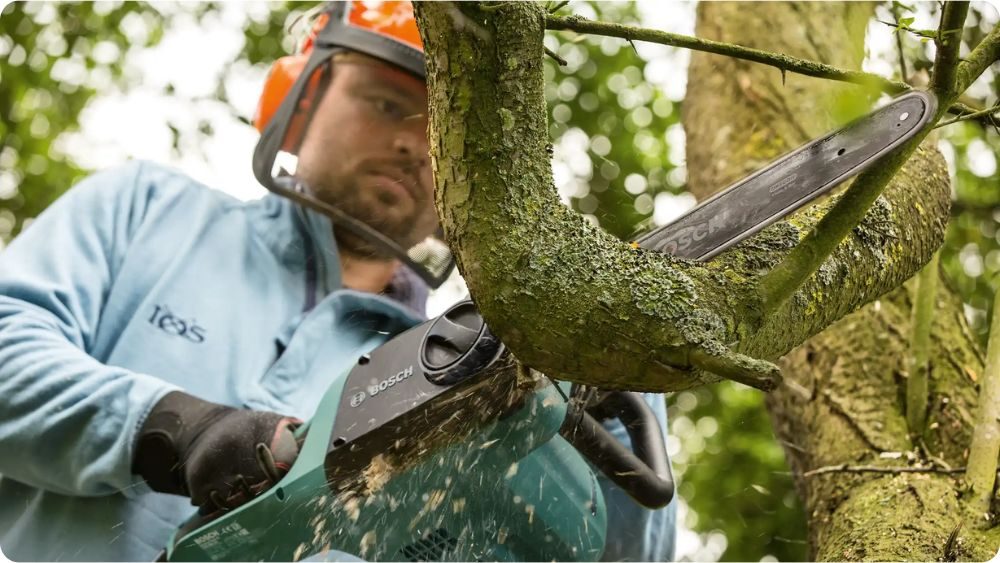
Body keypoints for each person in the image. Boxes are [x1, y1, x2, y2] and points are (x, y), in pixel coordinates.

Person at [0, 2, 676, 561]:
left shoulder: (456, 378)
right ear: (304, 94)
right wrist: (173, 426)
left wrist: (617, 380)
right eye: (387, 103)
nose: (414, 145)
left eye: (441, 132)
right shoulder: (149, 212)